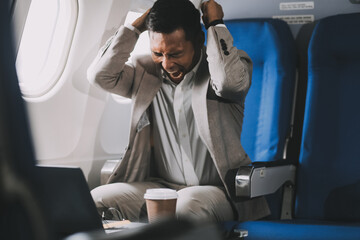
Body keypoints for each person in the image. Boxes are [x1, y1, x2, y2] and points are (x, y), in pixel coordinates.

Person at [88, 0, 269, 223]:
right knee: (96, 200)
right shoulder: (145, 71)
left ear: (199, 41)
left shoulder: (225, 71)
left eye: (175, 54)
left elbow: (229, 83)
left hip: (215, 190)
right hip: (160, 186)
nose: (166, 64)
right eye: (158, 53)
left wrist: (215, 23)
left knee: (185, 210)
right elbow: (99, 76)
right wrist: (136, 27)